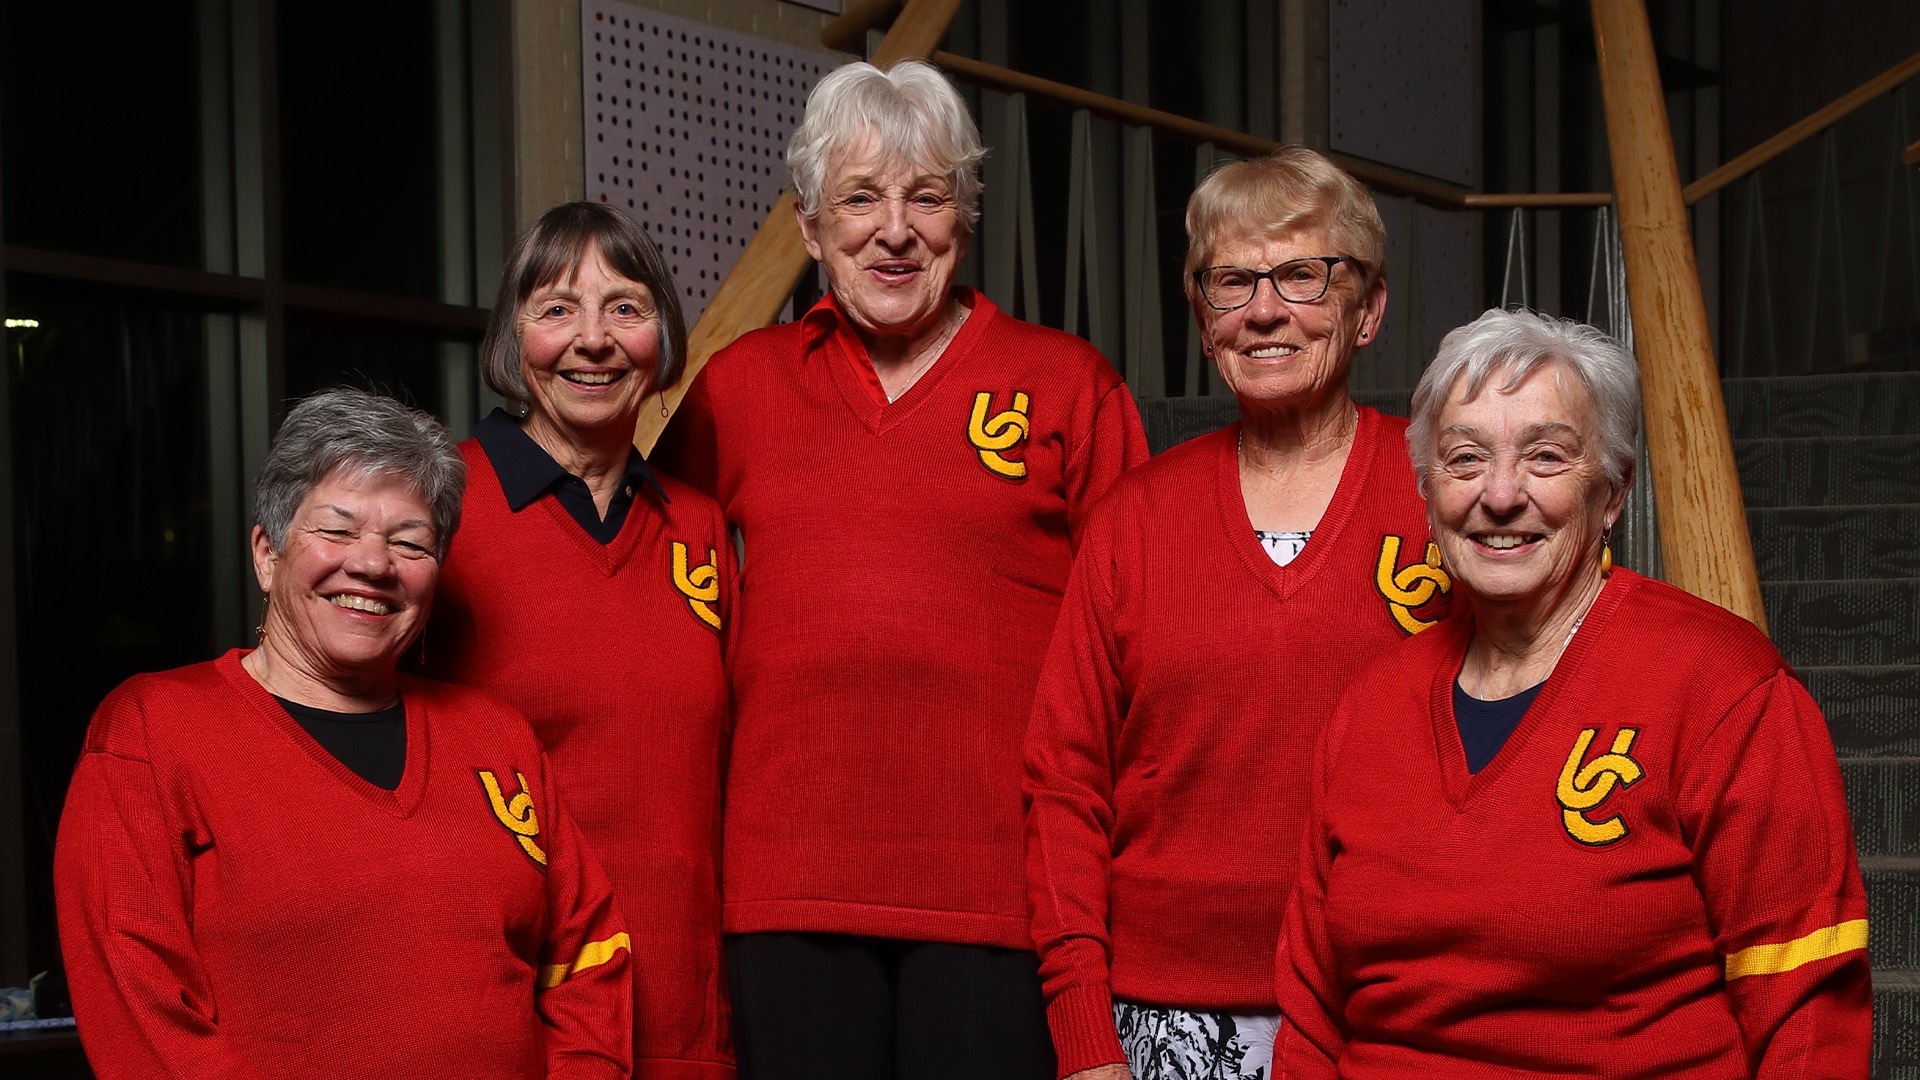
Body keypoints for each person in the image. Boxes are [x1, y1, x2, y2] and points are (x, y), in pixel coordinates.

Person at [652, 59, 1148, 1080]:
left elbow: (1142, 642)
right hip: (787, 884)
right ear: (810, 228)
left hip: (1001, 892)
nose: (895, 230)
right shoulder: (738, 389)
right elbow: (646, 588)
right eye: (861, 199)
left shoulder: (1067, 385)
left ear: (963, 220)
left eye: (926, 196)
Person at [1272, 308, 1871, 1077]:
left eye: (1546, 457)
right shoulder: (1370, 707)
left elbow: (1808, 1011)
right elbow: (1313, 1020)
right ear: (1427, 493)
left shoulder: (1725, 689)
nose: (1499, 494)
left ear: (1613, 492)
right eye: (1463, 460)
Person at [1023, 148, 1450, 1080]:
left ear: (1368, 308)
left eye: (1302, 275)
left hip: (1392, 1008)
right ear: (1205, 319)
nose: (1264, 310)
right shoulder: (1136, 518)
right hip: (1162, 1022)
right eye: (1231, 282)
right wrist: (1086, 1034)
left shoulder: (1445, 501)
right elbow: (1066, 785)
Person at [56, 388, 631, 1079]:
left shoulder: (495, 737)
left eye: (409, 542)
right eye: (336, 530)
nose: (374, 563)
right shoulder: (153, 732)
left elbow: (590, 954)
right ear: (267, 555)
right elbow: (137, 1011)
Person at [424, 201, 735, 1080]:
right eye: (557, 309)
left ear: (662, 338)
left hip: (687, 1014)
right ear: (512, 340)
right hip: (517, 1018)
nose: (593, 340)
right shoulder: (442, 510)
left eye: (626, 308)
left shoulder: (700, 529)